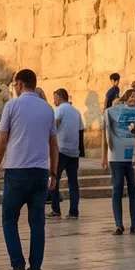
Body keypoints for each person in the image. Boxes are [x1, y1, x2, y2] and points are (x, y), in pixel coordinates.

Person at [0, 70, 57, 270]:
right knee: (37, 223)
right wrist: (54, 172)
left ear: (19, 84)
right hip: (40, 172)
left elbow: (2, 140)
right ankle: (35, 269)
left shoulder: (12, 106)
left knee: (9, 219)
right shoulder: (48, 109)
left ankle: (18, 265)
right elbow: (53, 144)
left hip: (17, 171)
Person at [103, 87, 135, 233]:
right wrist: (104, 155)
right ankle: (119, 224)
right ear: (125, 97)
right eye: (132, 96)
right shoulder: (113, 110)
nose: (134, 99)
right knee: (117, 188)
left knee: (133, 189)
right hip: (117, 155)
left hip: (133, 155)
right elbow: (105, 127)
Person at [49, 89, 82, 219]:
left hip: (61, 150)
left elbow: (53, 128)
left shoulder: (59, 110)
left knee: (54, 179)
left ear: (58, 96)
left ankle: (56, 210)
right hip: (74, 152)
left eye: (54, 97)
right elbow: (80, 130)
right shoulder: (76, 111)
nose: (53, 100)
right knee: (73, 182)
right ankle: (74, 212)